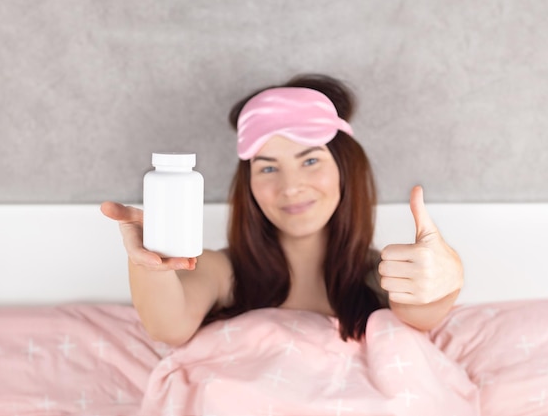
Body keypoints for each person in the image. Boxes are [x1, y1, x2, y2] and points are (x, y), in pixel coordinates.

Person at [101, 73, 463, 346]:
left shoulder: (383, 276)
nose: (290, 187)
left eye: (310, 161)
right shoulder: (221, 271)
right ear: (249, 184)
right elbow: (168, 327)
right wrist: (146, 262)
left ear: (345, 169)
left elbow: (421, 312)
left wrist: (448, 279)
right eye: (268, 168)